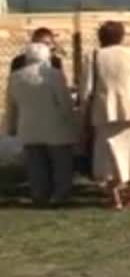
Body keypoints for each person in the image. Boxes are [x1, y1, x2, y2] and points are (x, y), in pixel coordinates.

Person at [82, 21, 130, 210]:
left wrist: (84, 110)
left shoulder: (93, 57)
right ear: (121, 36)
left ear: (101, 37)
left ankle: (115, 198)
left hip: (104, 112)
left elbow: (87, 89)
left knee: (107, 157)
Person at [5, 44, 77, 207]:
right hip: (55, 126)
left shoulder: (15, 77)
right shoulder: (54, 75)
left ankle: (39, 194)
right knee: (61, 163)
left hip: (29, 127)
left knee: (36, 164)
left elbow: (11, 106)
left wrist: (10, 127)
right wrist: (71, 119)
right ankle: (60, 194)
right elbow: (64, 102)